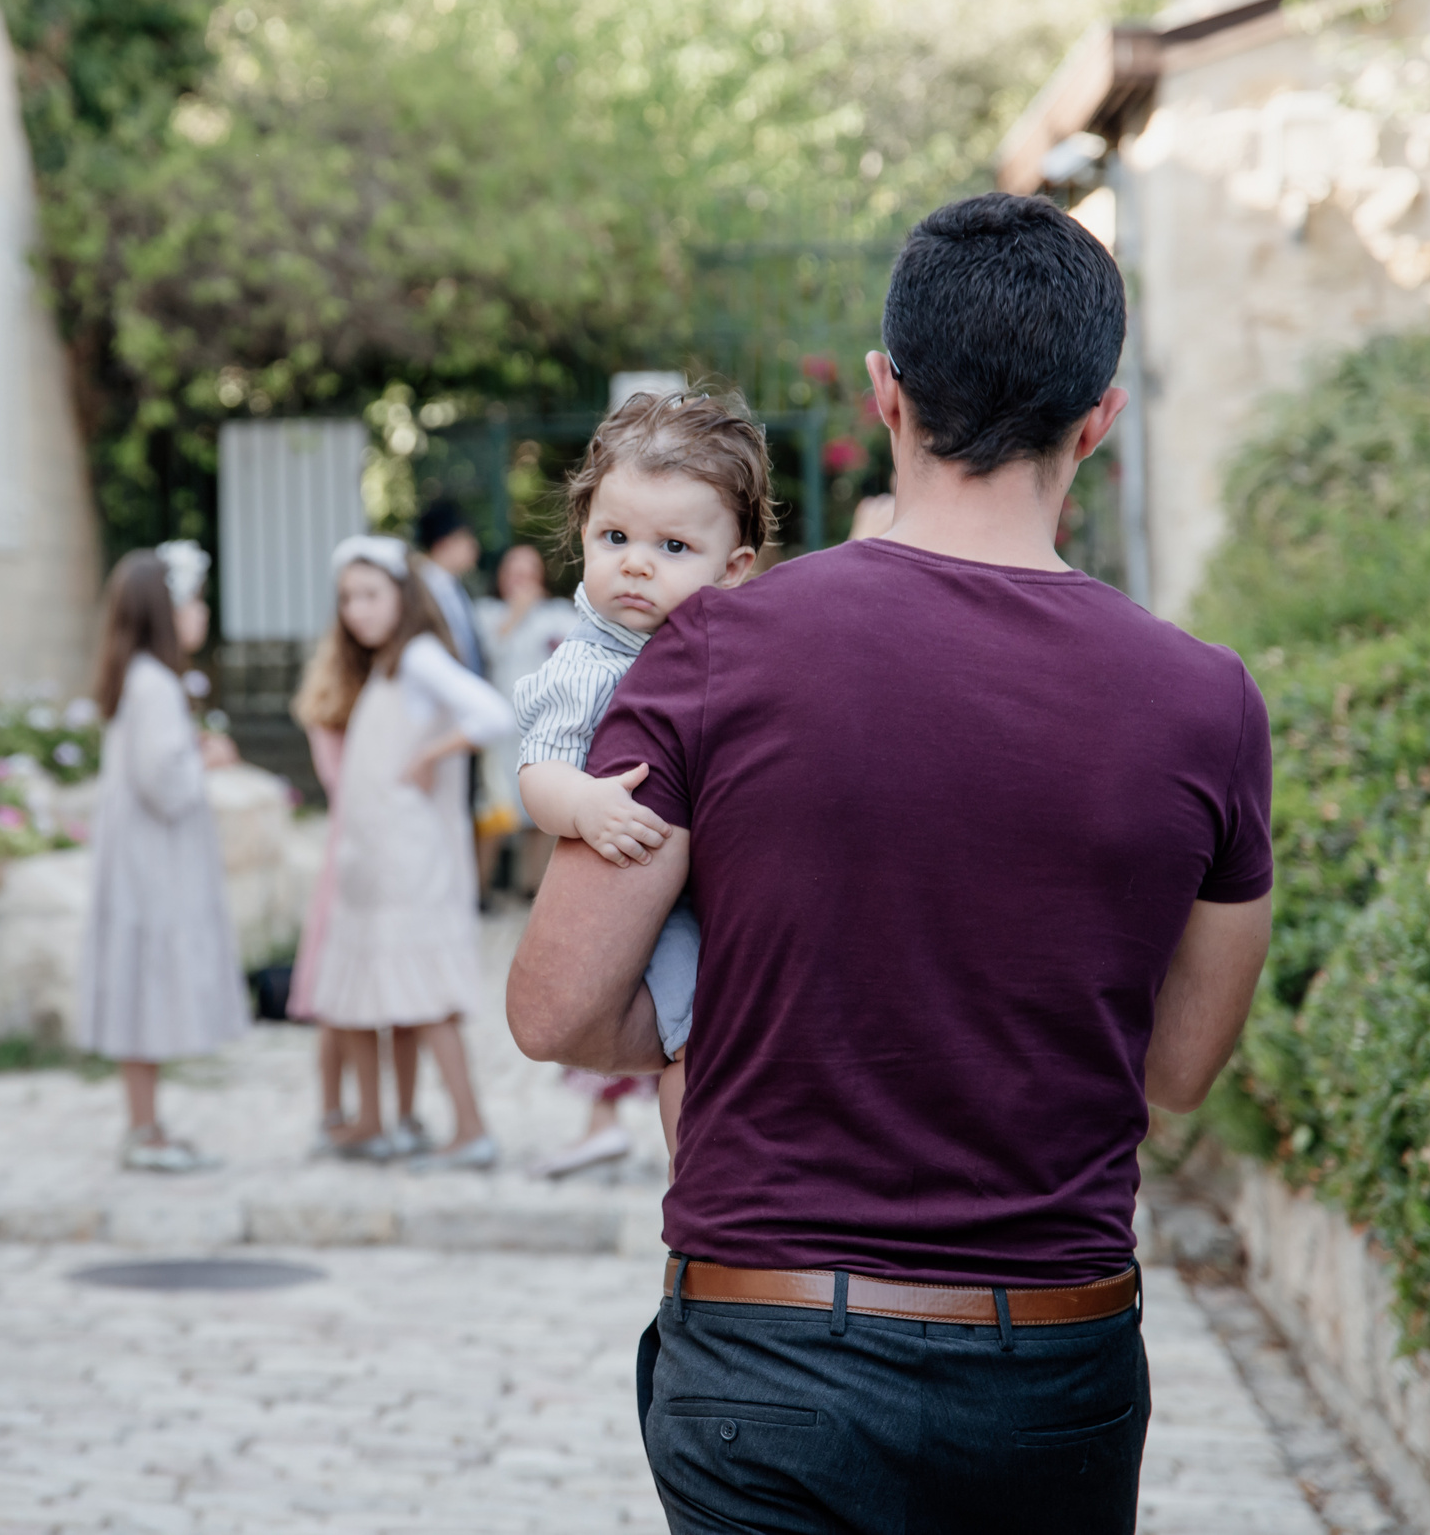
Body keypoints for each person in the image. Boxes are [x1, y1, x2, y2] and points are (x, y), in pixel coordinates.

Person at [507, 193, 1275, 1535]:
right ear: (1099, 420)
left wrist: (731, 1022)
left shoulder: (710, 654)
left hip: (771, 1350)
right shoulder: (1208, 704)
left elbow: (557, 1008)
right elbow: (1177, 1068)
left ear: (885, 393)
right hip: (1051, 1361)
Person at [510, 390, 774, 1168]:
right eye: (615, 537)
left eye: (673, 547)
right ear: (583, 536)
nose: (634, 563)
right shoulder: (589, 663)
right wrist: (583, 804)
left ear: (733, 568)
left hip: (718, 882)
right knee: (697, 1032)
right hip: (649, 902)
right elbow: (536, 771)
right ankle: (698, 1175)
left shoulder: (721, 655)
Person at [292, 535, 516, 1169]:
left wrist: (431, 754)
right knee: (367, 992)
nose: (357, 609)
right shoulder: (385, 665)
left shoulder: (419, 656)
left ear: (401, 595)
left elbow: (493, 713)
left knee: (424, 995)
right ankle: (374, 1121)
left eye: (371, 594)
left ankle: (470, 1128)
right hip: (372, 863)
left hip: (407, 863)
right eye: (347, 598)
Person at [79, 543, 249, 1173]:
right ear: (165, 611)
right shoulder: (154, 685)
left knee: (140, 981)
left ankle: (145, 1123)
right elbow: (165, 783)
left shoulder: (143, 679)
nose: (201, 614)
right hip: (151, 863)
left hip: (142, 855)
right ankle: (144, 1128)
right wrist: (207, 760)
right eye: (193, 602)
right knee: (146, 980)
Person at [472, 543, 579, 880]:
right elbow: (485, 653)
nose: (521, 580)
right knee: (494, 811)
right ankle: (482, 891)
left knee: (541, 813)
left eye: (528, 572)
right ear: (501, 577)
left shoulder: (559, 613)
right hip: (499, 732)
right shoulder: (486, 612)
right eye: (514, 572)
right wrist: (517, 612)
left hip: (545, 729)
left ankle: (531, 887)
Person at [416, 500, 486, 678]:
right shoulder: (419, 590)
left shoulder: (456, 587)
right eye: (467, 539)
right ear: (444, 543)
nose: (474, 547)